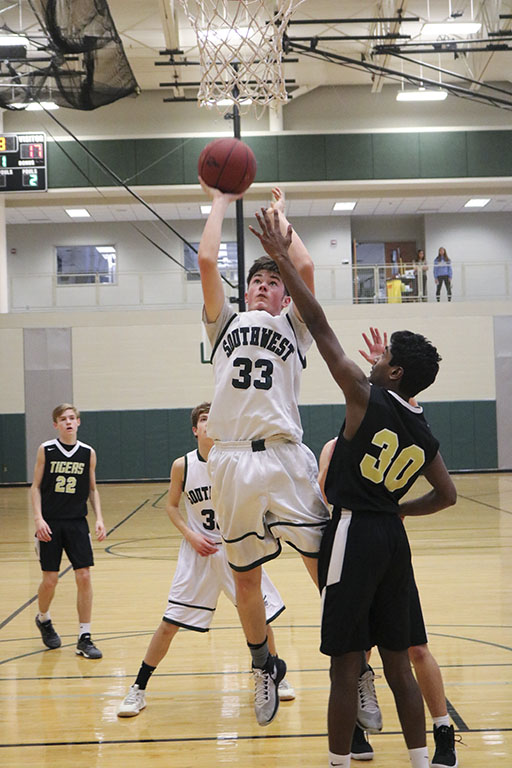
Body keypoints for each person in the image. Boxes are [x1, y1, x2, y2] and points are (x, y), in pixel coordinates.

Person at [249, 208, 457, 768]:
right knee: (395, 662)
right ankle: (419, 759)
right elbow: (448, 495)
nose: (377, 355)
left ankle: (340, 763)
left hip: (354, 535)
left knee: (346, 664)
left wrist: (287, 260)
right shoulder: (421, 426)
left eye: (385, 355)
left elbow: (315, 322)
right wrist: (402, 512)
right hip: (393, 538)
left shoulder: (365, 398)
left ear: (390, 373)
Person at [197, 181, 331, 727]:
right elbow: (208, 259)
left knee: (326, 569)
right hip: (230, 459)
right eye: (256, 280)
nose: (262, 286)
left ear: (284, 295)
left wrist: (282, 219)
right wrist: (222, 200)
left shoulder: (295, 327)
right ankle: (262, 666)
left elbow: (307, 268)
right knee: (246, 579)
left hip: (283, 456)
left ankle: (358, 666)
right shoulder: (223, 324)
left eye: (273, 282)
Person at [117, 402, 295, 717]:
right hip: (198, 552)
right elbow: (171, 506)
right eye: (203, 419)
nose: (209, 423)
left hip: (235, 549)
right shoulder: (182, 465)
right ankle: (138, 688)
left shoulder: (237, 461)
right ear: (195, 429)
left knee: (261, 615)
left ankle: (271, 676)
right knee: (170, 622)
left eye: (214, 418)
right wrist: (190, 534)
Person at [31, 403, 105, 659]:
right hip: (51, 522)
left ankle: (85, 637)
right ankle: (43, 618)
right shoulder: (46, 450)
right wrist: (39, 519)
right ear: (56, 424)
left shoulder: (88, 453)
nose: (69, 422)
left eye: (72, 418)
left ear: (78, 422)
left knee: (84, 576)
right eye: (63, 419)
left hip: (77, 522)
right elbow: (36, 487)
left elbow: (93, 489)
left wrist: (99, 519)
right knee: (50, 580)